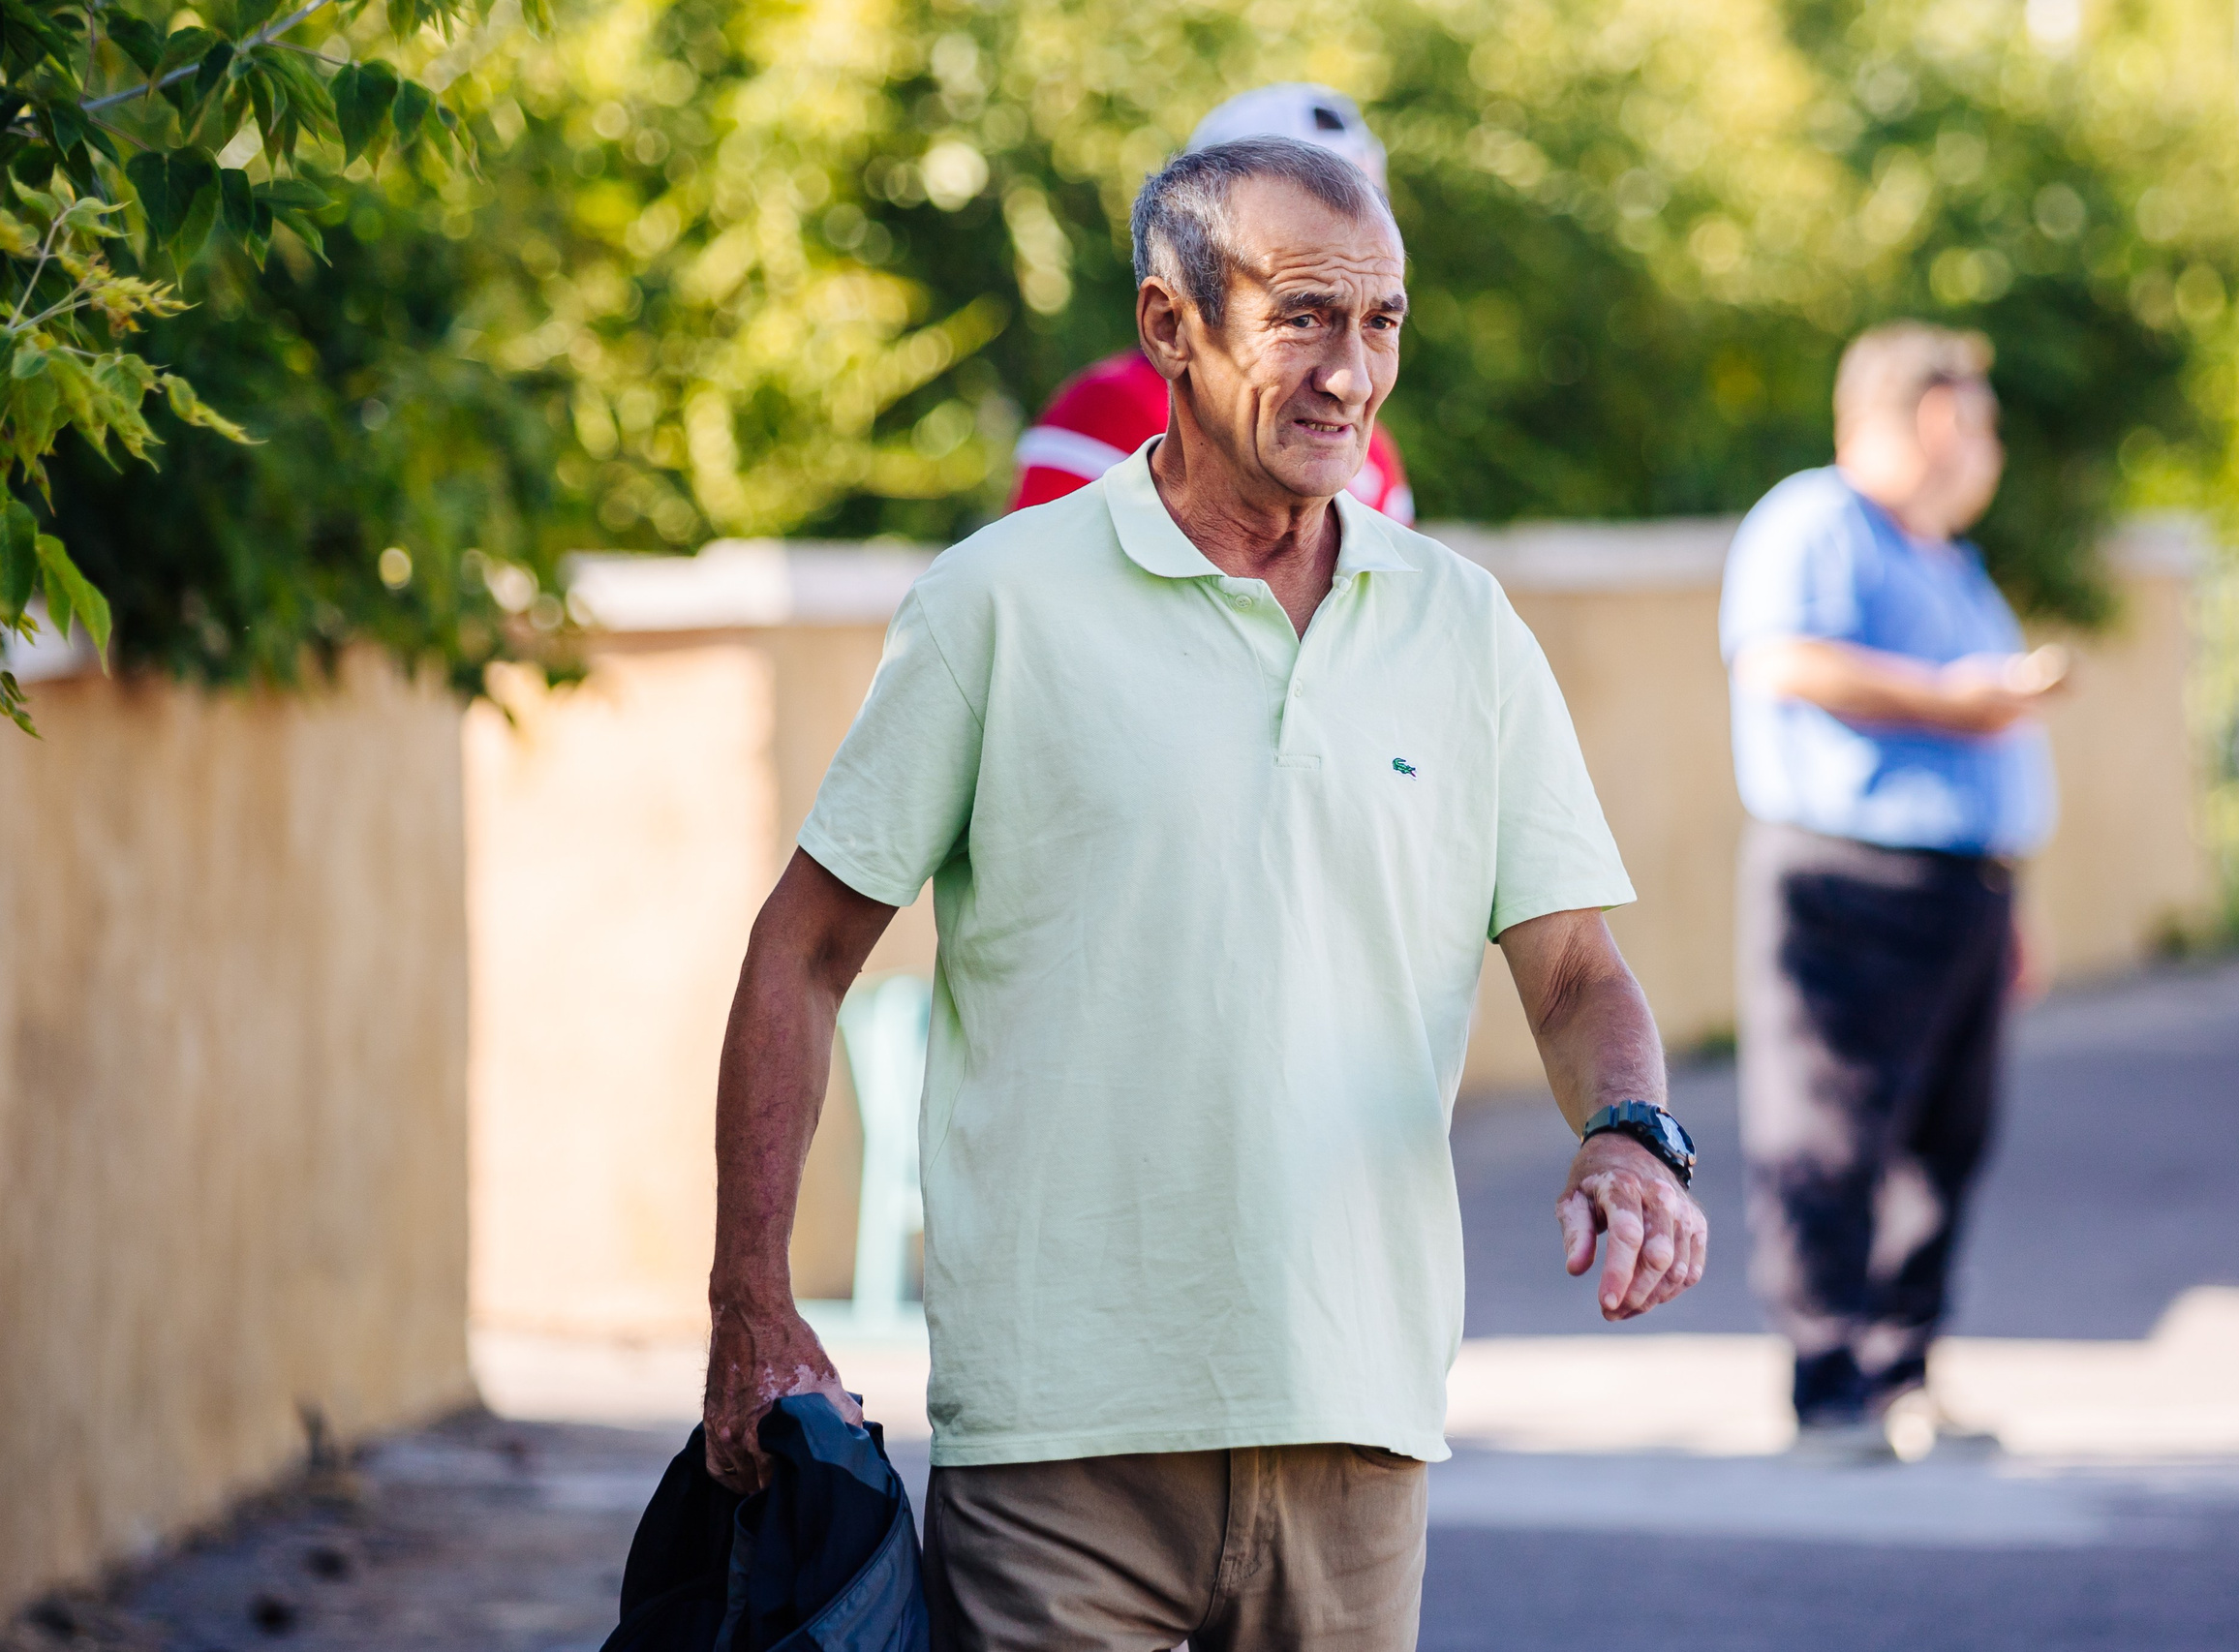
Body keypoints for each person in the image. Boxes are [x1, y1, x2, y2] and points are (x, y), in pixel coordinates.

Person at [703, 137, 1706, 1651]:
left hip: (1357, 1419)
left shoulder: (1463, 628)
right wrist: (752, 1301)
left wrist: (1632, 1130)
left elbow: (1573, 971)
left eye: (1381, 324)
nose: (1349, 372)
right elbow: (803, 951)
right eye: (1302, 314)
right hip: (1059, 1442)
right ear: (1170, 325)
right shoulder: (999, 605)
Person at [1718, 321, 2067, 1457]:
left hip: (1959, 891)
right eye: (1977, 420)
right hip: (1849, 881)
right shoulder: (1817, 519)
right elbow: (1783, 659)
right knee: (1829, 1138)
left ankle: (1899, 1371)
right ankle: (1826, 1388)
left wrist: (2011, 899)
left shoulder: (1941, 555)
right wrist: (1953, 697)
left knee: (1945, 1144)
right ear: (1927, 418)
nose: (1988, 447)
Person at [1008, 83, 1417, 524]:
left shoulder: (1368, 447)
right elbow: (1036, 578)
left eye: (1370, 202)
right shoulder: (1109, 409)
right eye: (1301, 318)